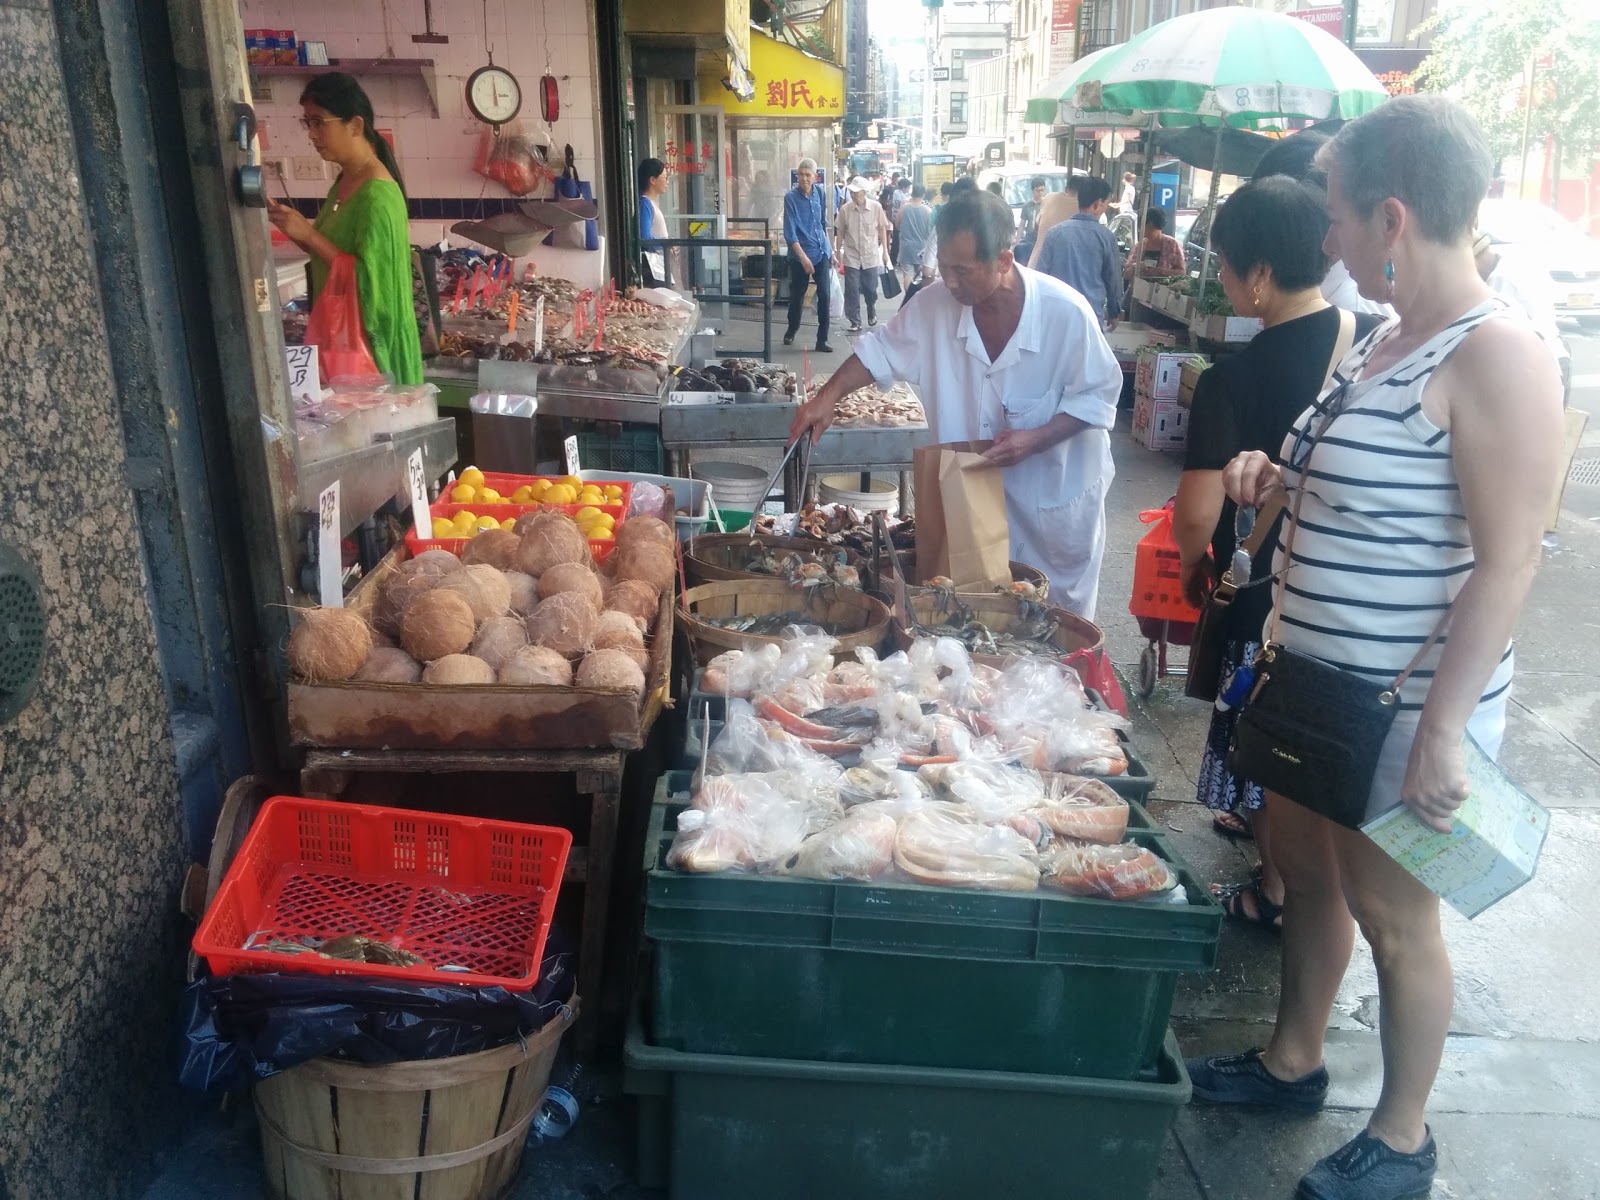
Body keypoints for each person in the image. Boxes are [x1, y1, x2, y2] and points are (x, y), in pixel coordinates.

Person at [1187, 96, 1564, 1200]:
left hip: (1401, 710)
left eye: (1340, 217)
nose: (1328, 240)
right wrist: (1271, 474)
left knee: (1399, 920)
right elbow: (1354, 490)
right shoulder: (1379, 339)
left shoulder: (1499, 357)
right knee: (1307, 879)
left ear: (1392, 218)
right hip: (1313, 686)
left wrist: (1441, 733)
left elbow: (1507, 561)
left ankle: (1402, 1139)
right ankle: (1291, 1058)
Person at [1170, 176, 1386, 928]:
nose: (1221, 278)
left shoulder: (1234, 378)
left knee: (1268, 753)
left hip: (1269, 602)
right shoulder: (1372, 344)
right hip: (1350, 601)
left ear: (1259, 274)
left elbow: (1194, 524)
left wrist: (1201, 559)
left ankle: (1276, 889)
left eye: (1225, 264)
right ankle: (1306, 889)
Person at [789, 189, 1122, 616]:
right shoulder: (934, 306)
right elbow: (879, 353)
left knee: (1054, 631)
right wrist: (826, 398)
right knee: (970, 621)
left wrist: (1035, 439)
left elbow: (1097, 398)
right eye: (945, 267)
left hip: (1053, 508)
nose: (950, 282)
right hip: (972, 509)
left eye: (963, 271)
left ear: (1003, 260)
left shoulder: (1067, 314)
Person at [268, 72, 422, 385]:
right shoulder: (345, 182)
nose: (311, 134)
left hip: (373, 354)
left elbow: (376, 287)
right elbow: (333, 256)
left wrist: (309, 234)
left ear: (355, 125)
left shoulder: (378, 196)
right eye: (306, 123)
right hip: (342, 342)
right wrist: (293, 229)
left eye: (318, 122)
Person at [1474, 227, 1571, 405]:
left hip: (1539, 363)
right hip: (1554, 353)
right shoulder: (1516, 262)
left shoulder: (1500, 281)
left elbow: (1494, 336)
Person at [1034, 176, 1122, 330]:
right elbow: (1113, 278)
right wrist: (1114, 312)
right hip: (1090, 316)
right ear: (1097, 204)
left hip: (1056, 317)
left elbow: (1041, 275)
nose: (1106, 208)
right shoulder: (1106, 237)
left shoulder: (1054, 233)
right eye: (1106, 204)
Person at [783, 158, 834, 353]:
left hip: (821, 251)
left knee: (825, 295)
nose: (803, 178)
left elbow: (822, 224)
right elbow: (790, 233)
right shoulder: (791, 198)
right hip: (800, 255)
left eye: (807, 175)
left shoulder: (820, 194)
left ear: (815, 176)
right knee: (797, 295)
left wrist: (832, 251)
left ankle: (822, 339)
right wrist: (803, 258)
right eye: (800, 174)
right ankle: (792, 328)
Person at [834, 176, 892, 332]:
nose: (853, 195)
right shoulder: (845, 210)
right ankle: (854, 320)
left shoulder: (876, 207)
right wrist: (837, 252)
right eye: (852, 192)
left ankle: (871, 307)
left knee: (871, 289)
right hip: (852, 255)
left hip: (870, 255)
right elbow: (840, 231)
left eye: (856, 192)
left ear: (864, 192)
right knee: (852, 289)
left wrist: (885, 252)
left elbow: (882, 229)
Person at [636, 157, 672, 288]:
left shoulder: (650, 203)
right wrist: (665, 243)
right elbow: (645, 239)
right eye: (664, 178)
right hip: (654, 266)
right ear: (652, 180)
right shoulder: (645, 203)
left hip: (660, 262)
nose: (667, 182)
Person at [1123, 207, 1186, 279]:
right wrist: (1135, 267)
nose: (1147, 231)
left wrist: (1162, 271)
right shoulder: (1139, 246)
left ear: (1159, 227)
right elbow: (1126, 274)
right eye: (1146, 227)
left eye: (1151, 228)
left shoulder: (1172, 244)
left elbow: (1182, 272)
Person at [896, 185, 934, 298]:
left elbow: (897, 225)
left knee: (907, 273)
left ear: (912, 194)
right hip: (922, 248)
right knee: (922, 275)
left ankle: (909, 297)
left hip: (906, 246)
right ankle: (920, 297)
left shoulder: (903, 208)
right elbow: (931, 230)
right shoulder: (928, 211)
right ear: (923, 195)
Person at [1016, 176, 1048, 266]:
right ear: (1033, 191)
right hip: (1029, 240)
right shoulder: (1027, 205)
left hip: (1041, 240)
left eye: (1042, 190)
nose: (1040, 193)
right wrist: (1017, 241)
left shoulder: (1047, 204)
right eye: (1038, 191)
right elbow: (1022, 225)